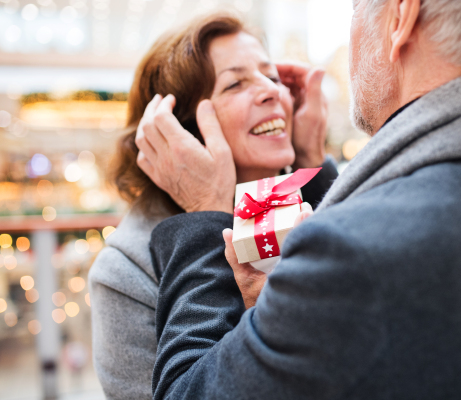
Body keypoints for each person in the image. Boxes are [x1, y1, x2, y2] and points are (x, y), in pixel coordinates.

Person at [146, 0, 461, 398]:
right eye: (236, 83)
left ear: (401, 16)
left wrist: (205, 214)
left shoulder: (347, 256)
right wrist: (311, 162)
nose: (273, 90)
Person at [87, 14, 335, 400]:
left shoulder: (303, 191)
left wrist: (313, 163)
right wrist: (208, 212)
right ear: (178, 132)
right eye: (235, 82)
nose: (273, 92)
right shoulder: (125, 270)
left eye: (272, 77)